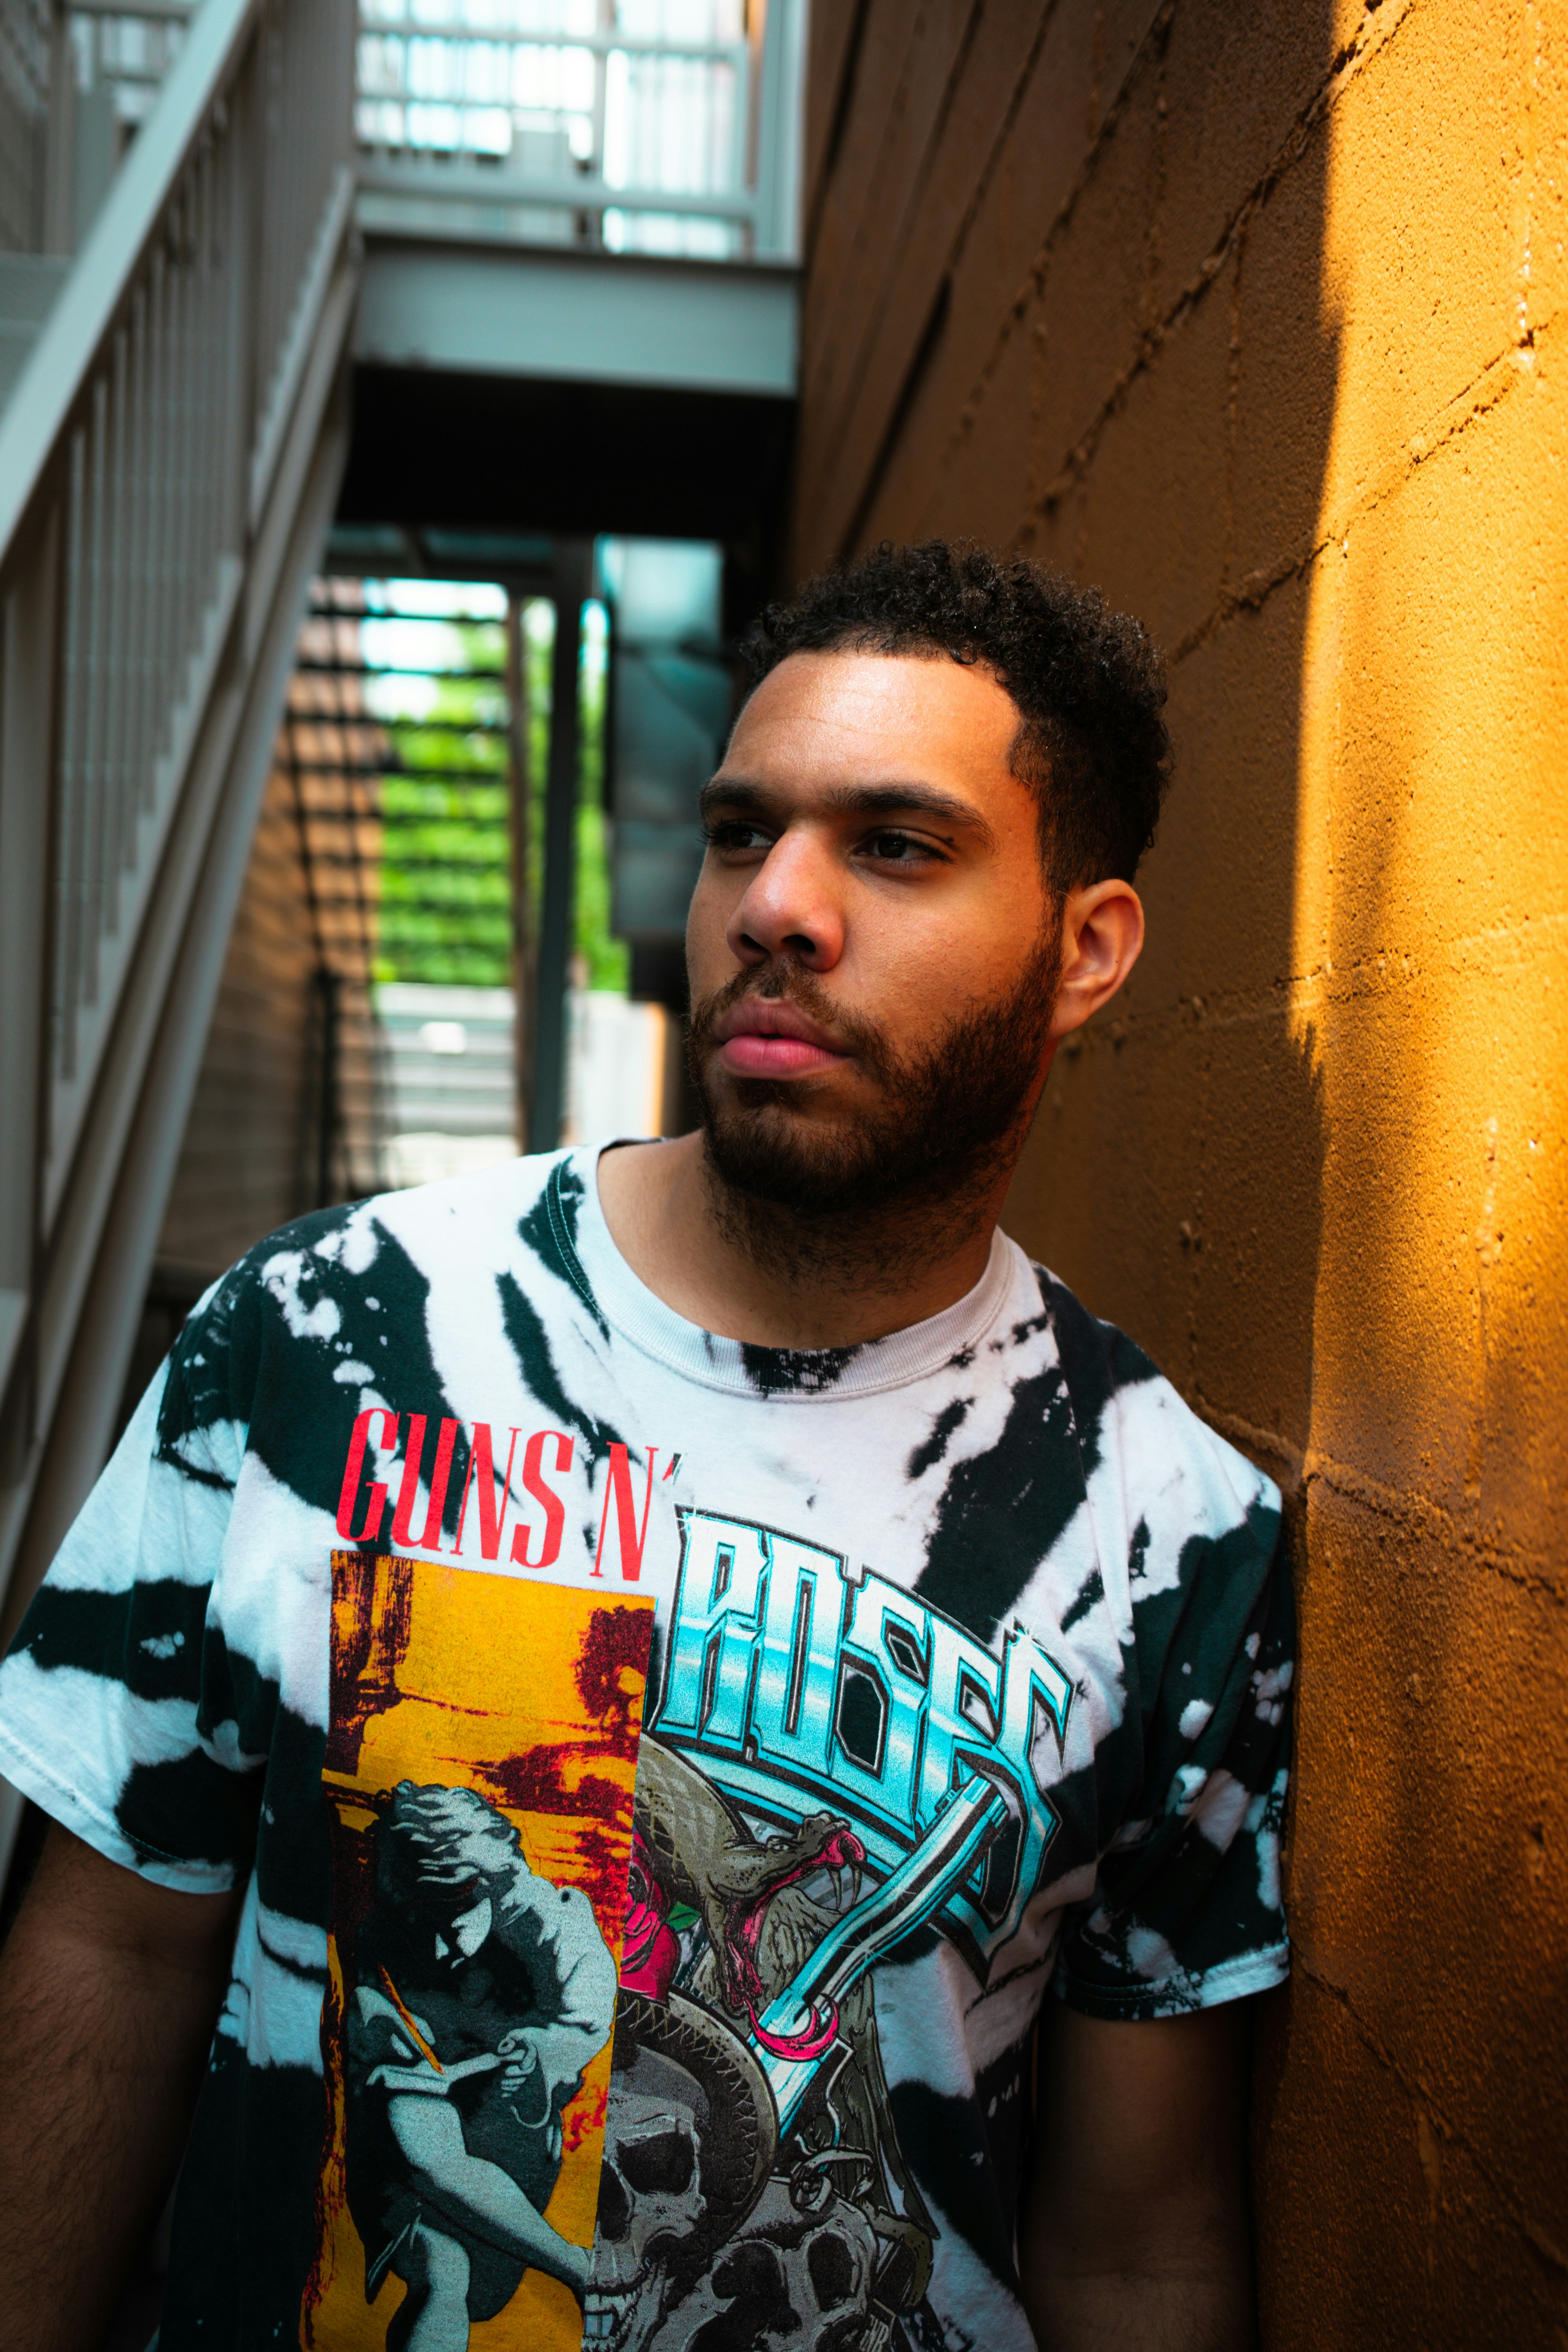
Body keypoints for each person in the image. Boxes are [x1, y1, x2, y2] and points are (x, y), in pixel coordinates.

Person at [0, 539, 1294, 2352]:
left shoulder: (1170, 1538)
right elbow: (114, 1954)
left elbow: (1138, 2236)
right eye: (738, 833)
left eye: (894, 846)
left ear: (1084, 948)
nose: (777, 904)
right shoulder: (328, 1333)